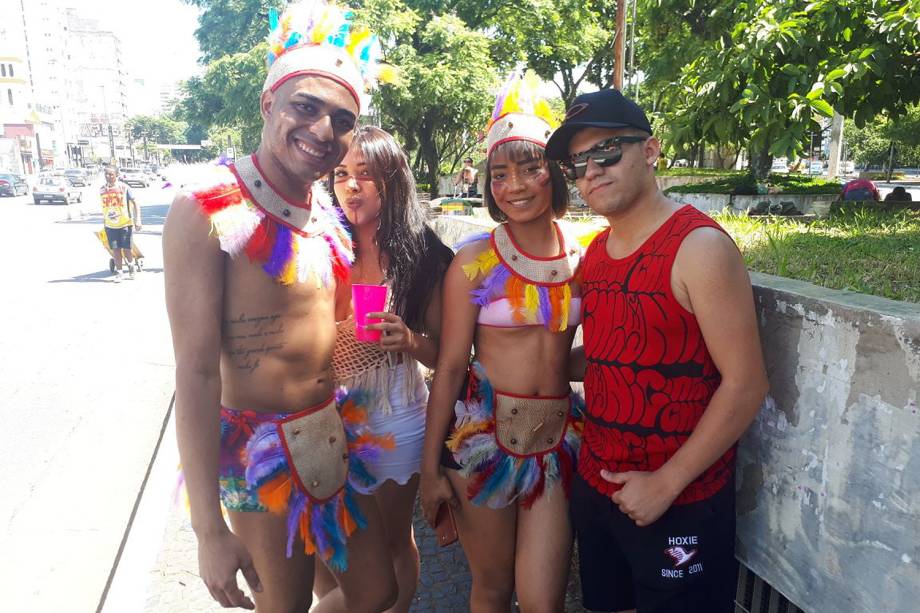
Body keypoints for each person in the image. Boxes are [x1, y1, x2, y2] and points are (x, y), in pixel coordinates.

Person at [163, 3, 398, 611]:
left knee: (378, 591)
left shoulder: (325, 212)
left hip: (331, 432)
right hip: (255, 454)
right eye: (305, 106)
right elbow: (193, 371)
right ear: (268, 104)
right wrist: (208, 530)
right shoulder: (209, 208)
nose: (323, 128)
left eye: (341, 119)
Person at [544, 88, 769, 613]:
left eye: (606, 151)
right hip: (599, 486)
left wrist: (666, 484)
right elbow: (606, 353)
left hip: (681, 499)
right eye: (577, 163)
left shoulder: (699, 248)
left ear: (650, 151)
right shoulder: (596, 253)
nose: (590, 172)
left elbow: (747, 383)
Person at [420, 71, 584, 613]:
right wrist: (429, 471)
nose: (513, 185)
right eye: (499, 173)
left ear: (554, 173)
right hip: (480, 440)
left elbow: (579, 354)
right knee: (491, 589)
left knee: (543, 600)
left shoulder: (585, 257)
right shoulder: (473, 259)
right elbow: (448, 368)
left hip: (557, 441)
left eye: (529, 168)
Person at [308, 126, 453, 612]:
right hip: (327, 419)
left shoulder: (422, 253)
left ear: (391, 182)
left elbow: (448, 354)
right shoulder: (321, 242)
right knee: (331, 544)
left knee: (393, 542)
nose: (350, 186)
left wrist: (409, 339)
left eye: (365, 176)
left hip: (397, 418)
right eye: (341, 174)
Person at [100, 165, 141, 282]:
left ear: (117, 175)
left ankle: (131, 267)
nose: (108, 176)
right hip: (110, 225)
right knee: (115, 249)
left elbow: (136, 203)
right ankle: (120, 273)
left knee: (127, 249)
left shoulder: (124, 188)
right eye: (106, 174)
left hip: (125, 224)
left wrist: (138, 219)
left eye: (111, 174)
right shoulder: (102, 190)